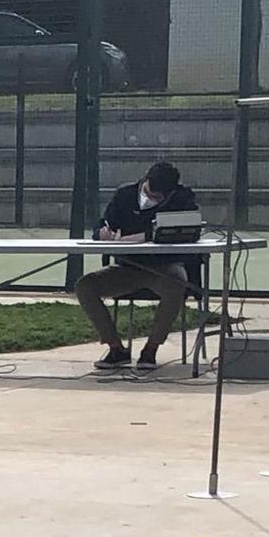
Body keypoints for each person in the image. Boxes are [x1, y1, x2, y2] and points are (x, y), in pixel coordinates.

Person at [75, 159, 204, 376]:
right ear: (144, 181)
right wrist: (103, 234)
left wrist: (143, 237)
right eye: (149, 192)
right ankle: (116, 348)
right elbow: (103, 223)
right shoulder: (125, 194)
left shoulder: (183, 198)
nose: (151, 199)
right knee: (85, 286)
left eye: (158, 197)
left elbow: (188, 229)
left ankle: (151, 349)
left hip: (164, 268)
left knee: (177, 283)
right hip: (128, 268)